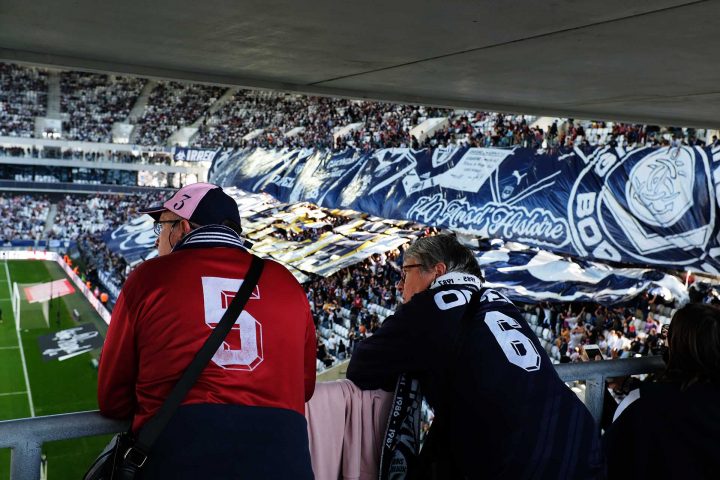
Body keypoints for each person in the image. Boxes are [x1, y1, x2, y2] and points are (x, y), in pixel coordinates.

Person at [97, 183, 316, 479]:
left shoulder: (149, 278)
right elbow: (305, 388)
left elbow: (113, 398)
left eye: (161, 227)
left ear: (182, 227)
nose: (158, 239)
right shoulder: (287, 282)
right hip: (284, 461)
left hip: (183, 458)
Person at [346, 234, 602, 479]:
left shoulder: (430, 306)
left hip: (518, 459)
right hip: (578, 439)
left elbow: (361, 366)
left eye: (405, 272)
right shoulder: (497, 299)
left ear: (437, 271)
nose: (400, 284)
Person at [604, 303, 720, 479]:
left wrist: (599, 392)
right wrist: (628, 384)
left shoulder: (645, 407)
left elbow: (610, 454)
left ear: (676, 346)